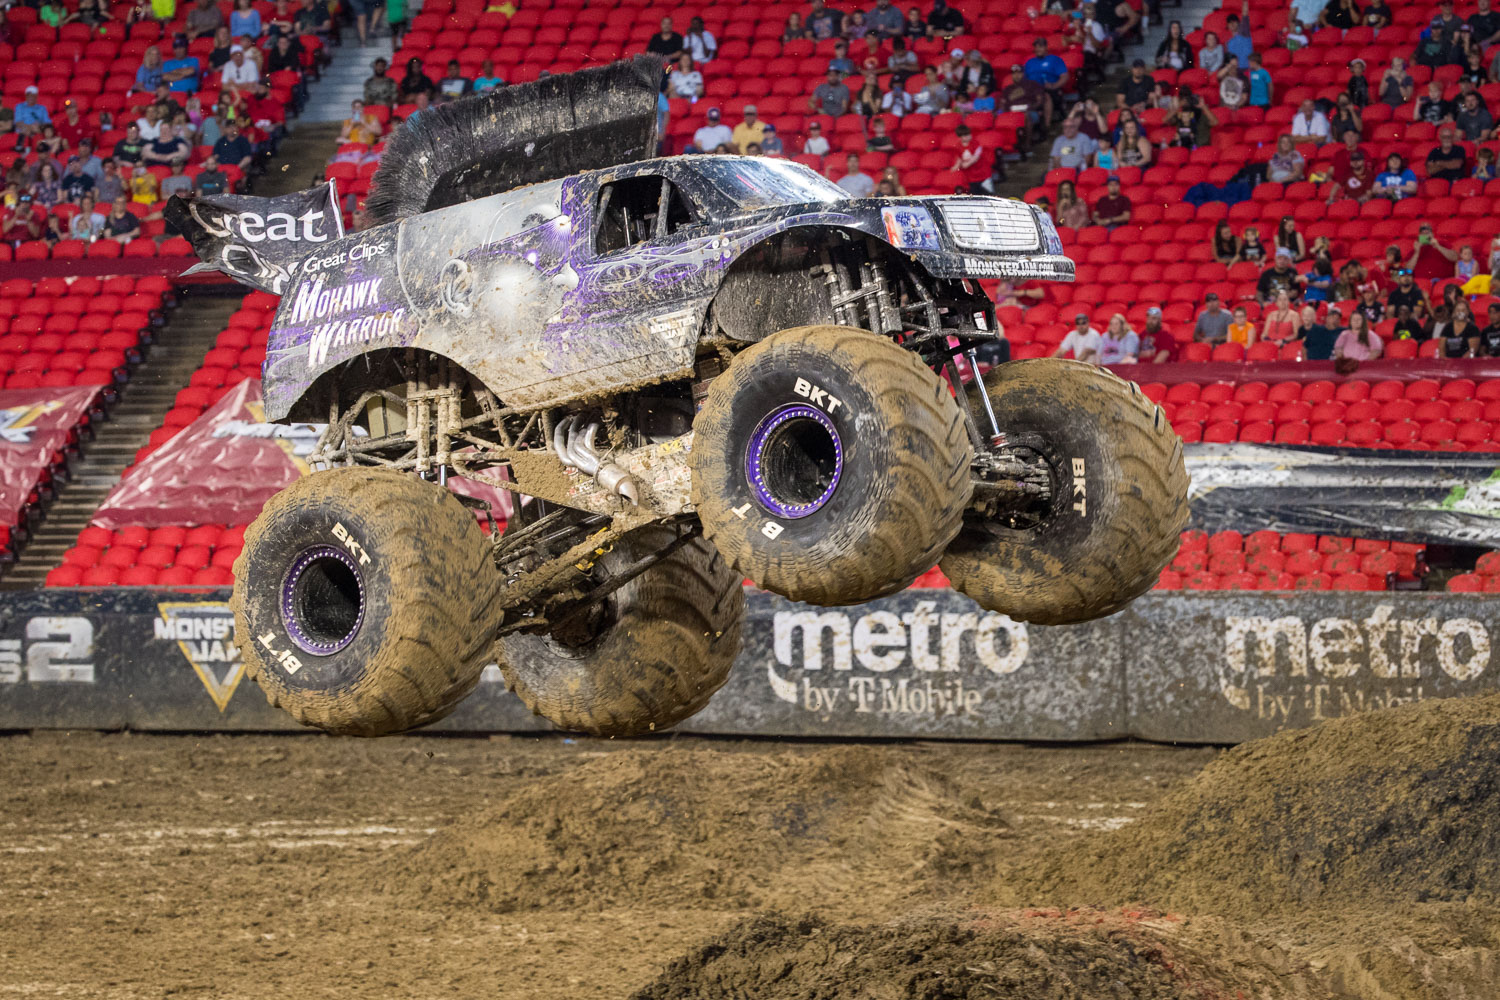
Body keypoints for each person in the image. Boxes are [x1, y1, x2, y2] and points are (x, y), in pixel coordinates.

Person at [1024, 38, 1066, 122]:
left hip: (1048, 89)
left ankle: (1047, 126)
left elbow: (1065, 76)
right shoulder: (1029, 62)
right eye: (1036, 47)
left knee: (1045, 96)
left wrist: (1054, 86)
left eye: (1040, 46)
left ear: (1046, 47)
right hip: (1032, 90)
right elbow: (1024, 79)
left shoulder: (1055, 60)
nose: (1037, 49)